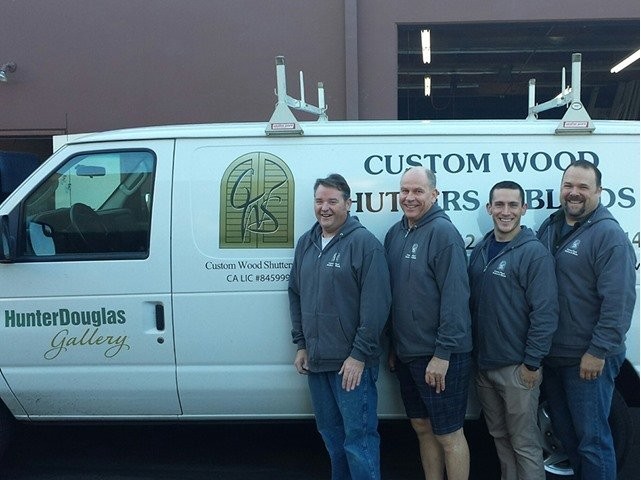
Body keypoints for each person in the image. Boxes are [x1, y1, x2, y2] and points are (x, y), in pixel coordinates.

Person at [537, 160, 636, 479]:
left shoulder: (608, 235)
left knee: (594, 442)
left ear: (599, 192)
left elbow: (619, 301)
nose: (574, 193)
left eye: (583, 187)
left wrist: (598, 352)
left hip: (587, 359)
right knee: (571, 440)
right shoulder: (551, 226)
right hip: (554, 356)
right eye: (569, 186)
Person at [288, 173, 391, 480]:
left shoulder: (364, 244)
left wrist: (359, 355)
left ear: (348, 203)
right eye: (319, 201)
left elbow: (376, 306)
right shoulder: (307, 242)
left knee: (358, 441)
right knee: (333, 439)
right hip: (318, 362)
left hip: (351, 366)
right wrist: (301, 344)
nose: (325, 208)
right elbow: (295, 292)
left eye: (333, 201)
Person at [384, 166, 472, 480]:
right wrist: (394, 345)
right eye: (405, 191)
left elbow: (455, 299)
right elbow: (395, 297)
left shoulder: (443, 234)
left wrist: (443, 354)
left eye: (418, 191)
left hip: (440, 356)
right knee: (422, 428)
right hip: (408, 354)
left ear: (434, 194)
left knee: (449, 434)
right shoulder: (396, 233)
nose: (409, 197)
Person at [468, 181, 558, 480]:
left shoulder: (534, 254)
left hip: (518, 369)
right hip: (485, 367)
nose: (505, 212)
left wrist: (532, 362)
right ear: (489, 208)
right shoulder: (481, 250)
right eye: (499, 205)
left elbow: (545, 312)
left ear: (523, 209)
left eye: (512, 205)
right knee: (500, 439)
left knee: (524, 444)